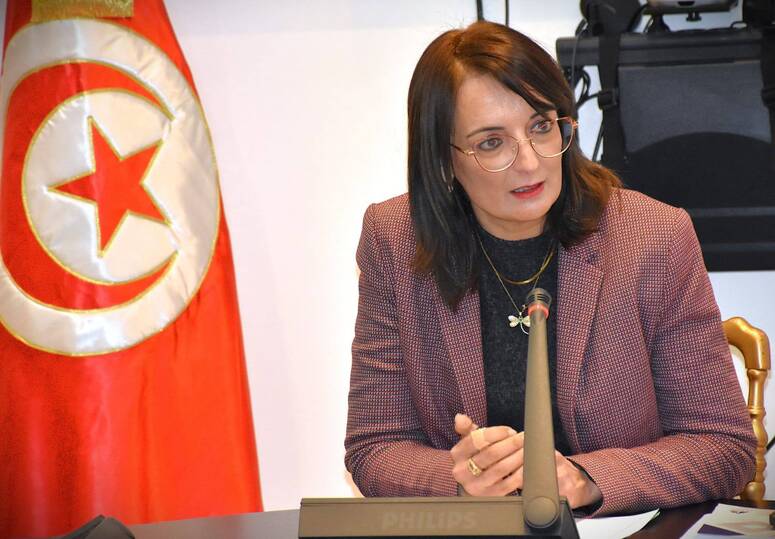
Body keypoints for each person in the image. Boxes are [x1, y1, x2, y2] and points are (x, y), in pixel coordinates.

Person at [344, 20, 756, 516]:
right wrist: (462, 478)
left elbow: (723, 446)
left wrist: (587, 479)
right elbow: (374, 447)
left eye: (541, 126)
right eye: (491, 142)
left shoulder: (653, 238)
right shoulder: (395, 240)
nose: (530, 162)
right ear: (443, 160)